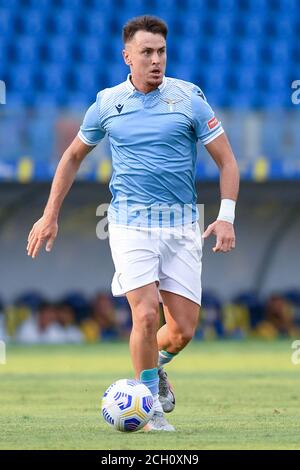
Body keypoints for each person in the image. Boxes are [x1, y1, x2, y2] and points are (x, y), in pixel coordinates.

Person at [27, 15, 239, 431]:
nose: (156, 60)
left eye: (161, 52)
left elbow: (228, 161)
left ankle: (155, 366)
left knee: (181, 331)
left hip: (182, 225)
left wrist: (226, 216)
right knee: (144, 316)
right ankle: (149, 408)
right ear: (127, 56)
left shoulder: (190, 98)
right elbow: (72, 157)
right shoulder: (107, 103)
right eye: (146, 53)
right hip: (128, 224)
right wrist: (50, 214)